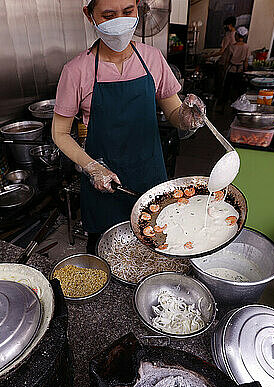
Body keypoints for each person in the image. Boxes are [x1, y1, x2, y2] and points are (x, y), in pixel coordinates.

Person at [52, 0, 207, 253]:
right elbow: (59, 133)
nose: (119, 22)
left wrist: (188, 118)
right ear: (89, 15)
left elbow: (174, 113)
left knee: (155, 245)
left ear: (138, 8)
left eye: (127, 12)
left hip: (149, 172)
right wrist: (92, 167)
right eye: (108, 15)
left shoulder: (152, 58)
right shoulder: (76, 70)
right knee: (107, 251)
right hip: (104, 181)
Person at [222, 27, 250, 105]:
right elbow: (246, 61)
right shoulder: (246, 47)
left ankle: (224, 105)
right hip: (240, 70)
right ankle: (237, 105)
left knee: (227, 88)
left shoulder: (232, 46)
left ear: (237, 35)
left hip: (231, 70)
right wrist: (245, 72)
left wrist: (224, 70)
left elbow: (227, 60)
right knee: (237, 89)